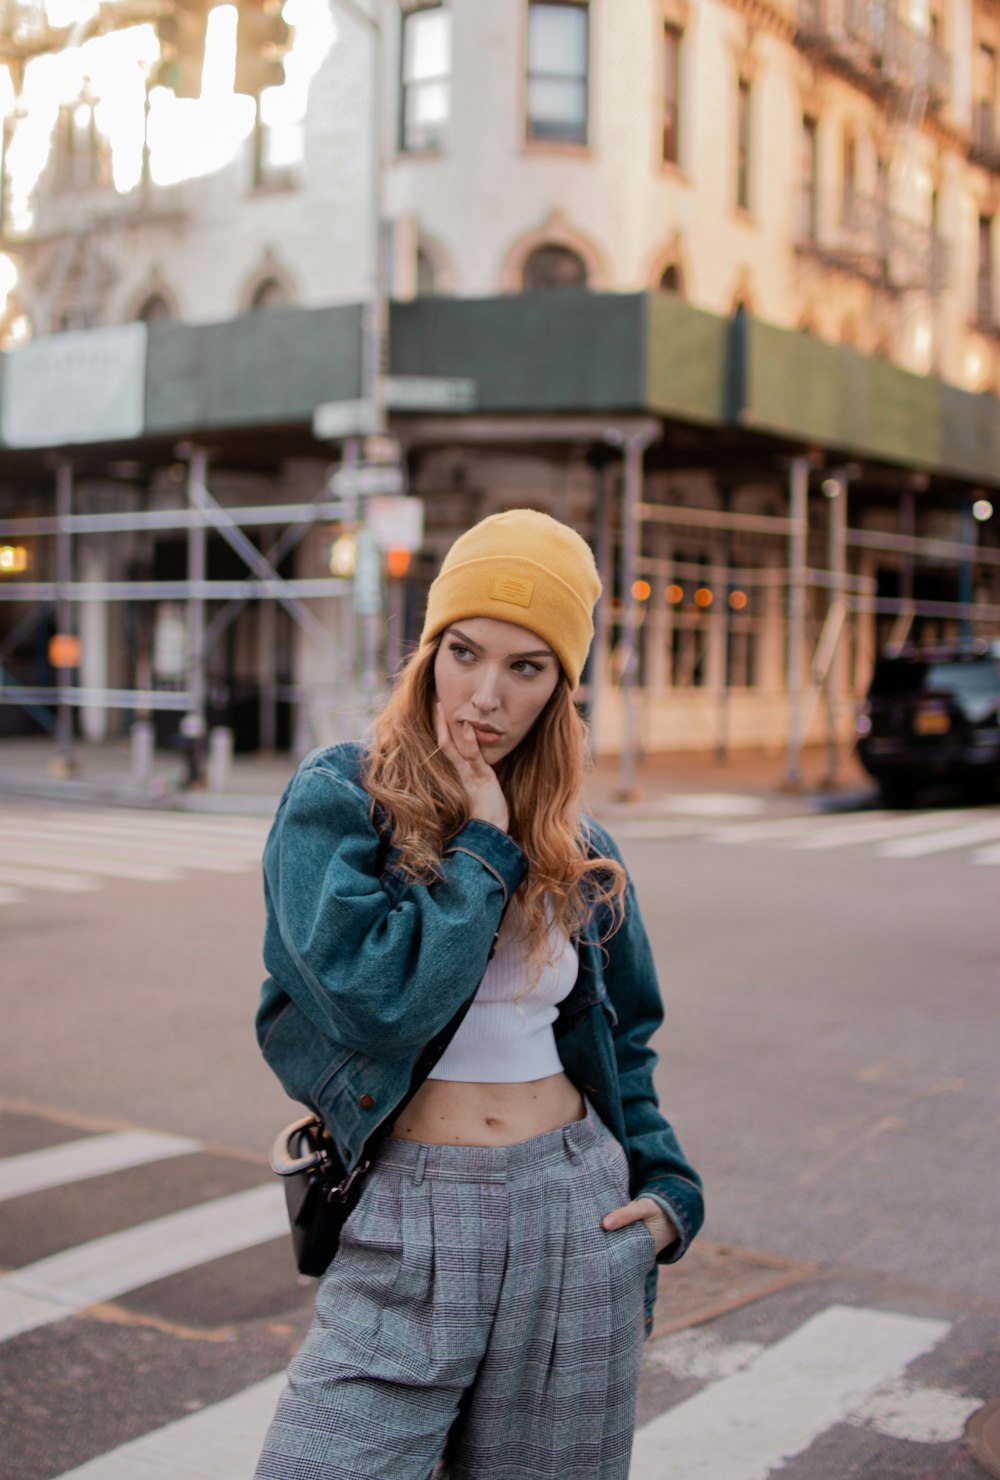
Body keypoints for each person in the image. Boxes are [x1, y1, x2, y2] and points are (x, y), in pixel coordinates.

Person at [254, 509, 704, 1480]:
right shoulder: (340, 801)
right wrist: (482, 851)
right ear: (426, 653)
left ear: (560, 689)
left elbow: (627, 1041)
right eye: (463, 652)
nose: (485, 696)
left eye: (526, 668)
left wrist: (669, 1191)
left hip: (574, 1217)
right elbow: (372, 1002)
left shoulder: (585, 855)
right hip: (410, 1210)